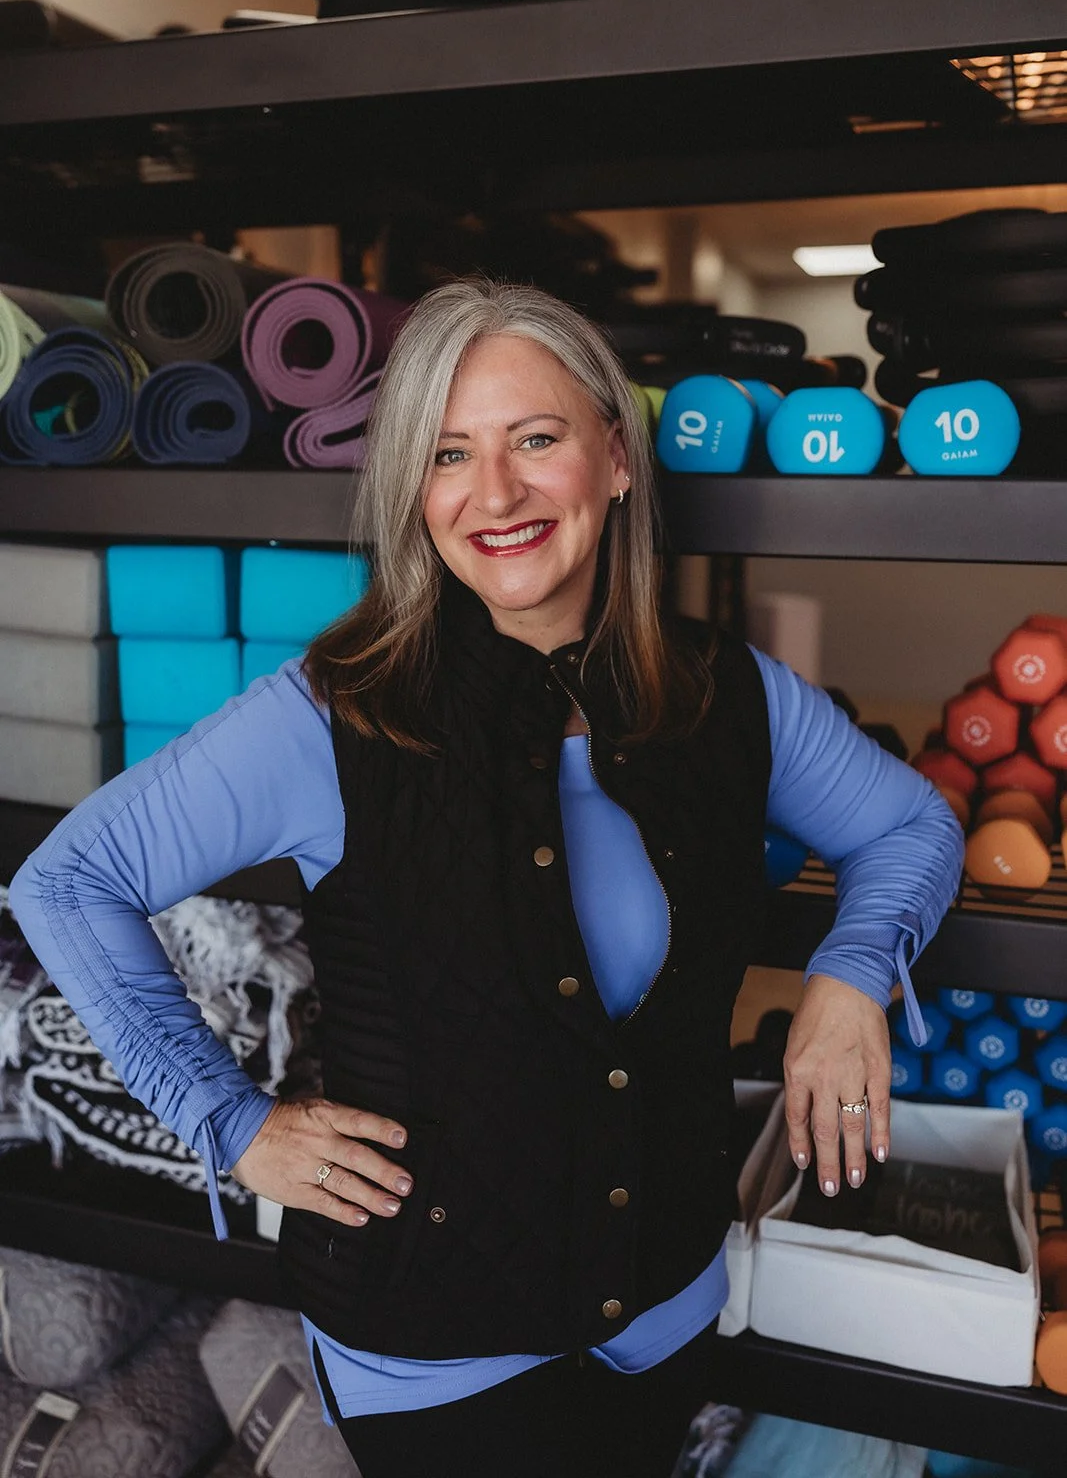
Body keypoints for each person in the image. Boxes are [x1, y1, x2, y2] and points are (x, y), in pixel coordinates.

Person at [11, 279, 964, 1478]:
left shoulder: (724, 694)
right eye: (449, 453)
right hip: (434, 1355)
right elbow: (69, 879)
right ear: (414, 489)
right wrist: (228, 1123)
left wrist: (848, 975)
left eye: (535, 439)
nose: (494, 493)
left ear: (614, 459)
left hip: (663, 1313)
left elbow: (913, 828)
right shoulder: (333, 715)